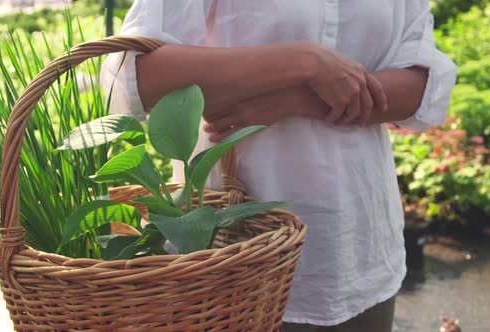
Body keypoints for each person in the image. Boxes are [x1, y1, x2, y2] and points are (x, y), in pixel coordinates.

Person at [100, 1, 457, 331]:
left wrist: (293, 100)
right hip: (231, 253)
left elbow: (420, 84)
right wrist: (305, 61)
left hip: (360, 253)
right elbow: (138, 75)